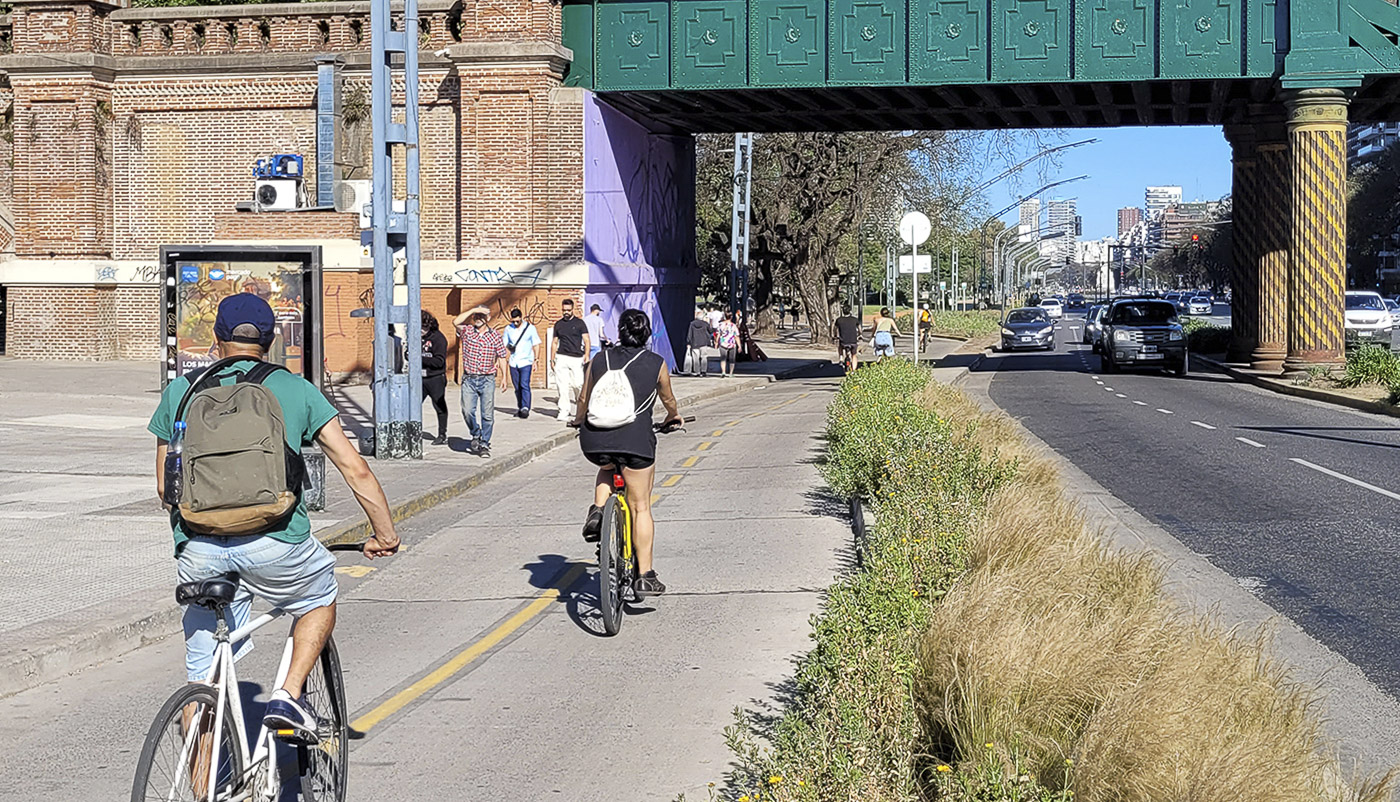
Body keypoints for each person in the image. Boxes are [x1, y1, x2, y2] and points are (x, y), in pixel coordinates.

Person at [148, 294, 399, 739]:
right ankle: (288, 692)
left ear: (216, 338)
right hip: (275, 539)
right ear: (270, 340)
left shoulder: (180, 392)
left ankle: (202, 782)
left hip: (198, 546)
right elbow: (353, 468)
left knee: (203, 677)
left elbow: (167, 490)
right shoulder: (297, 389)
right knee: (319, 595)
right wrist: (384, 533)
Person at [575, 308, 683, 597]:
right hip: (636, 442)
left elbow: (584, 397)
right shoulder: (656, 363)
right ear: (647, 333)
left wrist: (577, 419)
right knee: (641, 507)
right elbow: (668, 398)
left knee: (607, 465)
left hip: (595, 441)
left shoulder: (600, 359)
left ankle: (598, 510)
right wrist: (673, 416)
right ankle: (645, 575)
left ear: (620, 332)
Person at [453, 305, 509, 457]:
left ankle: (484, 443)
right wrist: (473, 310)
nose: (478, 319)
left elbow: (502, 357)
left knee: (487, 415)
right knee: (467, 411)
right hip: (469, 379)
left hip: (487, 379)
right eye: (476, 316)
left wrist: (504, 377)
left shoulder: (495, 336)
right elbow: (455, 322)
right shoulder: (467, 332)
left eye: (481, 316)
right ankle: (475, 432)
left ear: (488, 318)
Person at [551, 298, 590, 424]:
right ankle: (563, 411)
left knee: (578, 384)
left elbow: (587, 340)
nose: (566, 312)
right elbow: (554, 342)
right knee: (562, 386)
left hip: (577, 357)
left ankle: (582, 410)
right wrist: (552, 359)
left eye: (568, 310)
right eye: (564, 310)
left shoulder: (580, 323)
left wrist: (587, 355)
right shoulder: (558, 324)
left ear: (573, 309)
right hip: (561, 357)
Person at [503, 308, 541, 419]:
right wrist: (501, 359)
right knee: (517, 386)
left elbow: (536, 344)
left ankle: (525, 407)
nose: (515, 323)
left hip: (526, 361)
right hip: (513, 362)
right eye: (513, 321)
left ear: (521, 318)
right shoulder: (508, 329)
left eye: (517, 321)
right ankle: (520, 407)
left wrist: (536, 360)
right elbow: (504, 345)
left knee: (524, 384)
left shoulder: (530, 328)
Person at [420, 310, 449, 445]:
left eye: (424, 328)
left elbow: (439, 361)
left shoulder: (438, 339)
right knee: (413, 404)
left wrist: (420, 359)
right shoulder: (415, 337)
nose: (421, 330)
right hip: (419, 378)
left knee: (439, 404)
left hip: (435, 377)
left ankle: (442, 434)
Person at [831, 303, 861, 371]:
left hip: (843, 341)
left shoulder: (839, 320)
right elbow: (859, 329)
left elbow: (835, 329)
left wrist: (834, 336)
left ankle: (841, 358)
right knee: (854, 355)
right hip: (853, 341)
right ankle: (853, 370)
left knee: (840, 347)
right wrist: (860, 335)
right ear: (850, 311)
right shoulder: (855, 319)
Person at [685, 307, 714, 376]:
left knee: (696, 358)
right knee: (704, 357)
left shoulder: (692, 324)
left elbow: (690, 334)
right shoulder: (705, 324)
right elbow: (710, 331)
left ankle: (697, 371)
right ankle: (703, 371)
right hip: (703, 342)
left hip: (694, 342)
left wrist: (688, 342)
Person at [715, 311, 741, 377]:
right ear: (731, 317)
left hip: (723, 343)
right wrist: (739, 346)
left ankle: (723, 372)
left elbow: (718, 334)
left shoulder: (720, 325)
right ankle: (731, 373)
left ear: (724, 317)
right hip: (732, 344)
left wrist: (716, 342)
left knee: (723, 358)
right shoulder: (733, 326)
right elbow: (736, 336)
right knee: (732, 359)